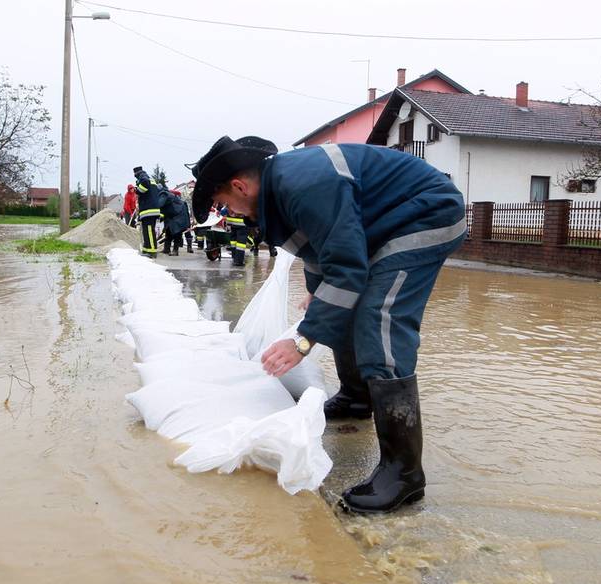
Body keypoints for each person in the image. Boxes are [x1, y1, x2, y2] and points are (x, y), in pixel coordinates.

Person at [189, 136, 465, 514]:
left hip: (426, 215)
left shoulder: (304, 184)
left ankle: (404, 474)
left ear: (239, 186)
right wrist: (318, 297)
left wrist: (302, 341)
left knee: (379, 317)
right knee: (340, 307)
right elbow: (324, 255)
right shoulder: (280, 193)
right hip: (382, 228)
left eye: (224, 204)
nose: (230, 212)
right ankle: (356, 398)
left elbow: (348, 271)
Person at [133, 166, 164, 258]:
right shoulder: (150, 179)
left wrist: (138, 190)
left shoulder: (143, 177)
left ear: (136, 173)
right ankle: (147, 249)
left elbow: (144, 184)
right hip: (150, 210)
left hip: (148, 210)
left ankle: (152, 252)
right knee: (147, 231)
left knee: (149, 231)